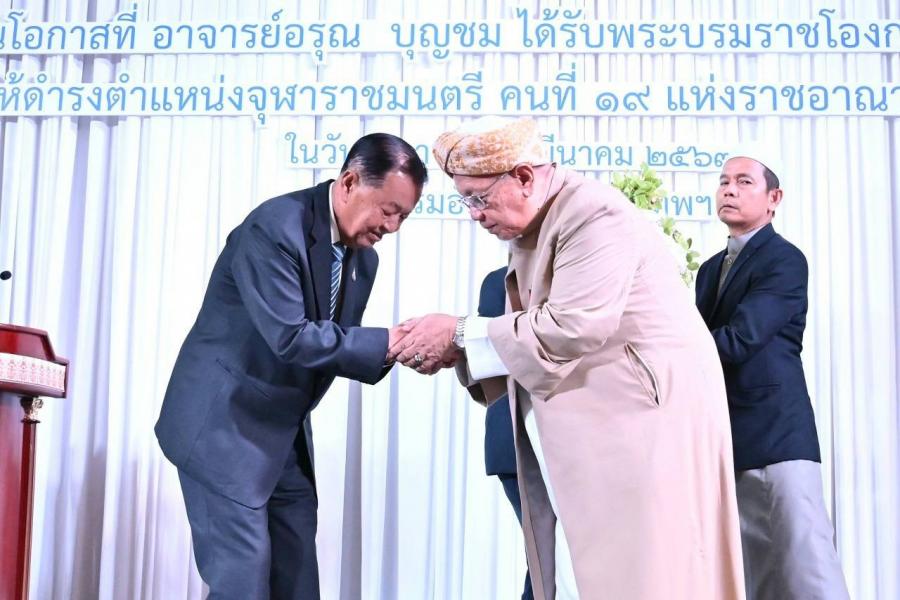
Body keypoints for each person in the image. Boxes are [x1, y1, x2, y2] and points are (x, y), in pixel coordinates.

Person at [390, 117, 745, 600]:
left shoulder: (593, 214)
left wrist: (459, 333)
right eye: (465, 201)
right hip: (607, 422)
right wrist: (459, 344)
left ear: (523, 177)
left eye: (478, 198)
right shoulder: (539, 221)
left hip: (648, 423)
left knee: (650, 574)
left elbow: (574, 325)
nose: (474, 215)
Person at [155, 133, 426, 600]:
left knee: (298, 578)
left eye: (403, 216)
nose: (393, 226)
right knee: (242, 582)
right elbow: (292, 337)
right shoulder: (275, 228)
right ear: (349, 182)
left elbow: (332, 346)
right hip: (222, 427)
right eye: (389, 210)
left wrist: (401, 347)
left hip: (281, 434)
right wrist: (392, 343)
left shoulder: (364, 261)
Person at [695, 149, 850, 600]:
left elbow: (741, 338)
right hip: (728, 442)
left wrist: (666, 349)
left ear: (773, 198)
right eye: (724, 181)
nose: (729, 189)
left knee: (808, 571)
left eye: (744, 182)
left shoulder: (784, 259)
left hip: (777, 439)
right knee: (756, 578)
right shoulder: (709, 270)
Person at [478, 266, 533, 600]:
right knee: (547, 561)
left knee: (547, 561)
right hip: (516, 440)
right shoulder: (498, 281)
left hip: (516, 438)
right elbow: (492, 360)